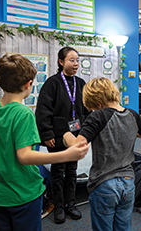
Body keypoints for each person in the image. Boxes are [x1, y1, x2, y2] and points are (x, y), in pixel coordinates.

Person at [0, 54, 89, 231]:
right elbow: (25, 156)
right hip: (23, 196)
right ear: (29, 84)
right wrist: (66, 154)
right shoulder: (23, 113)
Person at [63, 77, 141, 231]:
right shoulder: (132, 115)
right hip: (128, 182)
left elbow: (78, 147)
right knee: (124, 227)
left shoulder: (98, 116)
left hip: (104, 183)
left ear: (98, 104)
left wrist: (66, 136)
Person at [36, 47, 89, 224]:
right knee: (58, 172)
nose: (76, 64)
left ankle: (70, 204)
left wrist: (86, 133)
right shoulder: (52, 83)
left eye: (77, 60)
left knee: (72, 171)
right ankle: (58, 206)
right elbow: (43, 111)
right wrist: (46, 133)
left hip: (75, 136)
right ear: (61, 62)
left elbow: (87, 110)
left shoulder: (81, 83)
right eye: (71, 60)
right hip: (57, 137)